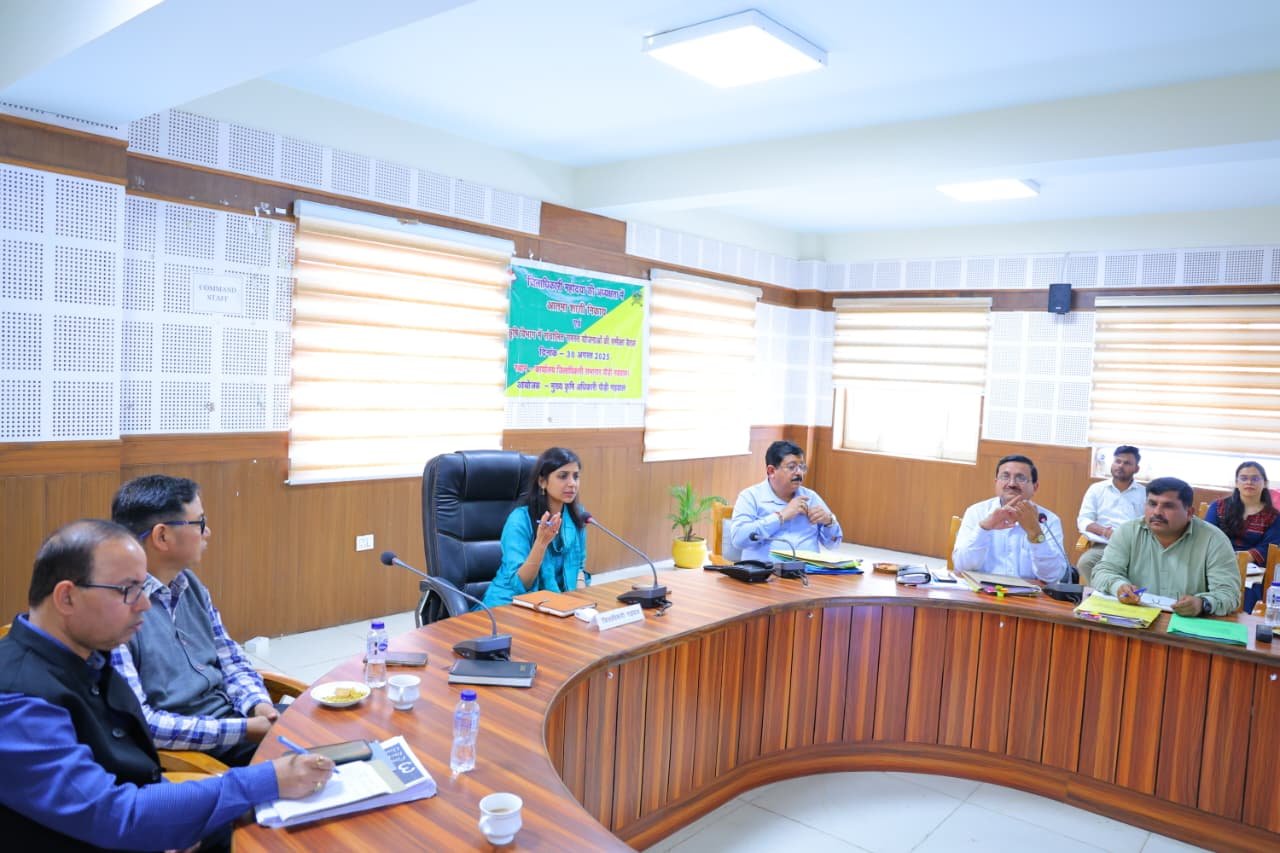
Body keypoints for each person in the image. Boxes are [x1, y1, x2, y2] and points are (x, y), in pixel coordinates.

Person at [0, 519, 332, 849]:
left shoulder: (89, 653)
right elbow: (114, 815)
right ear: (67, 598)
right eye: (128, 590)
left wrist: (176, 820)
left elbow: (134, 775)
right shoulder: (15, 698)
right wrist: (262, 781)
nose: (145, 604)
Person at [109, 475, 277, 767]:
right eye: (199, 523)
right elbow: (145, 723)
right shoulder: (112, 611)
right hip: (197, 750)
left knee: (340, 739)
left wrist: (258, 705)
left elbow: (230, 658)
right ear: (162, 536)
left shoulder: (188, 584)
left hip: (237, 721)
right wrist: (243, 730)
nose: (207, 532)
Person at [1091, 477, 1241, 616]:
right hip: (1136, 618)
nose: (1157, 512)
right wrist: (1119, 587)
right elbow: (1103, 572)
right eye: (1152, 504)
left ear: (1189, 512)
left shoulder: (1214, 540)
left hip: (1189, 624)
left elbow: (1228, 594)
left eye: (1168, 506)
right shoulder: (1128, 531)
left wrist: (1202, 604)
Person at [483, 447, 589, 608]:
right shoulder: (519, 520)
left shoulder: (577, 516)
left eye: (576, 476)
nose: (572, 483)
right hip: (509, 603)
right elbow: (521, 584)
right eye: (563, 476)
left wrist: (580, 602)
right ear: (542, 482)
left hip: (557, 604)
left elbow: (579, 568)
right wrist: (541, 543)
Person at [952, 454, 1068, 582]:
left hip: (1030, 593)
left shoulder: (1047, 520)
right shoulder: (976, 512)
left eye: (1021, 478)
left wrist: (1035, 533)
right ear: (996, 483)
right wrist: (984, 528)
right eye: (1005, 476)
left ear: (1035, 487)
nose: (1012, 484)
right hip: (982, 590)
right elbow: (961, 566)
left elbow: (1053, 576)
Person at [729, 440, 842, 564]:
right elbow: (739, 539)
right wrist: (780, 516)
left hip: (807, 571)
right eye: (792, 467)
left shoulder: (811, 497)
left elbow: (833, 544)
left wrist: (829, 522)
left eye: (802, 467)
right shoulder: (750, 497)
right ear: (771, 471)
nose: (799, 472)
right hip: (765, 572)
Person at [1205, 461, 1280, 613]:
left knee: (1249, 590)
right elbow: (1207, 535)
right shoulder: (1218, 506)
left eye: (1255, 478)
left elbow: (1269, 547)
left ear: (1265, 483)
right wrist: (1226, 557)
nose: (1249, 482)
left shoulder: (1274, 516)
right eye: (1244, 478)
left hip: (1252, 570)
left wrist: (1243, 559)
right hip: (1216, 561)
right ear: (1236, 482)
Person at [1076, 445, 1145, 584]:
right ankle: (1108, 592)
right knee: (1085, 563)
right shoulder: (1096, 489)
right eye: (1117, 461)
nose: (1121, 466)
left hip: (1134, 548)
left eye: (1127, 463)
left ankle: (1118, 591)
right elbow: (1084, 520)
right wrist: (1106, 532)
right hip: (1105, 546)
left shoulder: (1144, 493)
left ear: (1136, 469)